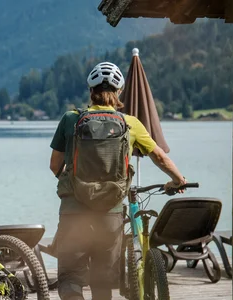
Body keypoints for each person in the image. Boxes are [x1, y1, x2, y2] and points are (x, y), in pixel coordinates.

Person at [48, 62, 188, 300]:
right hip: (110, 216)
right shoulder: (130, 123)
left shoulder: (71, 119)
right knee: (102, 284)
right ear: (120, 91)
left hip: (74, 214)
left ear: (90, 90)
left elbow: (54, 166)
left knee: (70, 280)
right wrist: (178, 180)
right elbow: (160, 158)